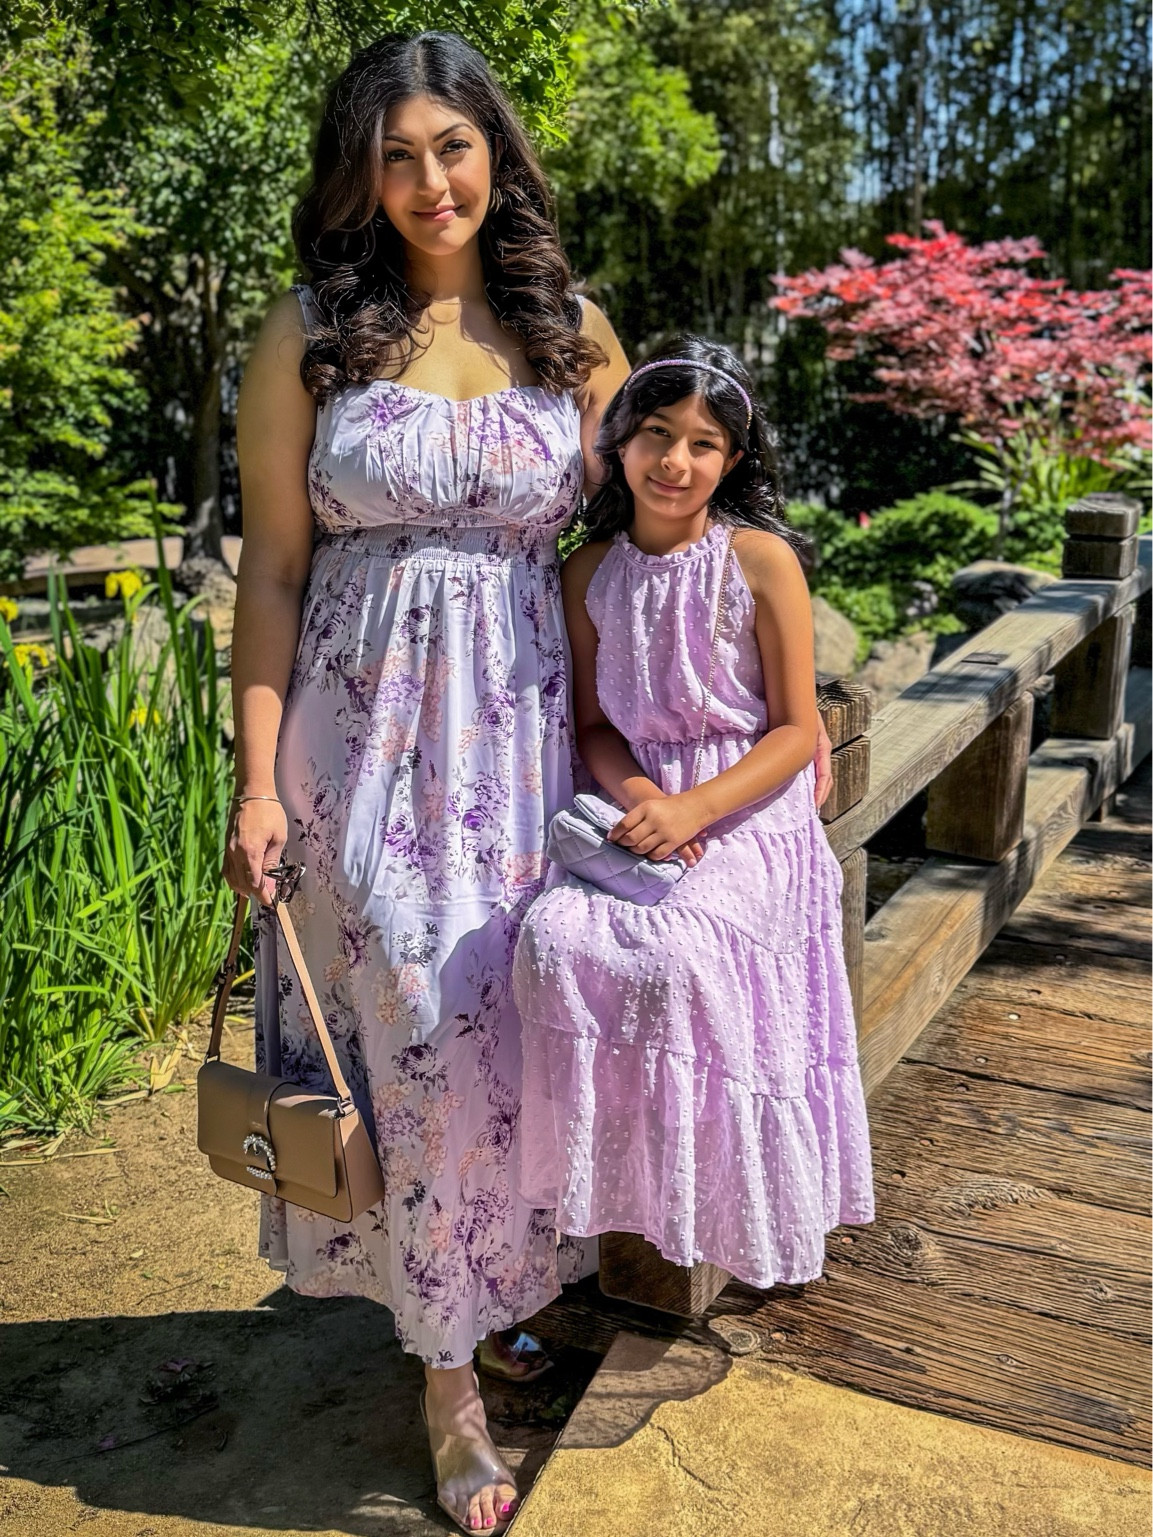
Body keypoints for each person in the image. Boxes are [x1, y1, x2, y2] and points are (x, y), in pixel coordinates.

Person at [223, 31, 833, 1534]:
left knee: (502, 1019)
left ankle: (476, 1300)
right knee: (412, 1008)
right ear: (359, 175)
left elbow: (659, 524)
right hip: (357, 738)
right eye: (394, 156)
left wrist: (739, 721)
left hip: (523, 731)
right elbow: (274, 573)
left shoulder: (573, 334)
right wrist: (254, 784)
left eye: (453, 147)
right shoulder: (306, 332)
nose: (429, 181)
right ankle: (449, 1386)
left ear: (496, 153)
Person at [512, 337, 876, 1292]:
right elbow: (594, 725)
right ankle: (621, 1185)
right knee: (553, 938)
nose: (674, 461)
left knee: (679, 954)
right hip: (638, 797)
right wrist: (646, 801)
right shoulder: (587, 572)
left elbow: (794, 729)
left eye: (702, 443)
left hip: (748, 803)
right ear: (619, 443)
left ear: (732, 460)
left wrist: (696, 808)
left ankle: (716, 1196)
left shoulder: (761, 561)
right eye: (656, 434)